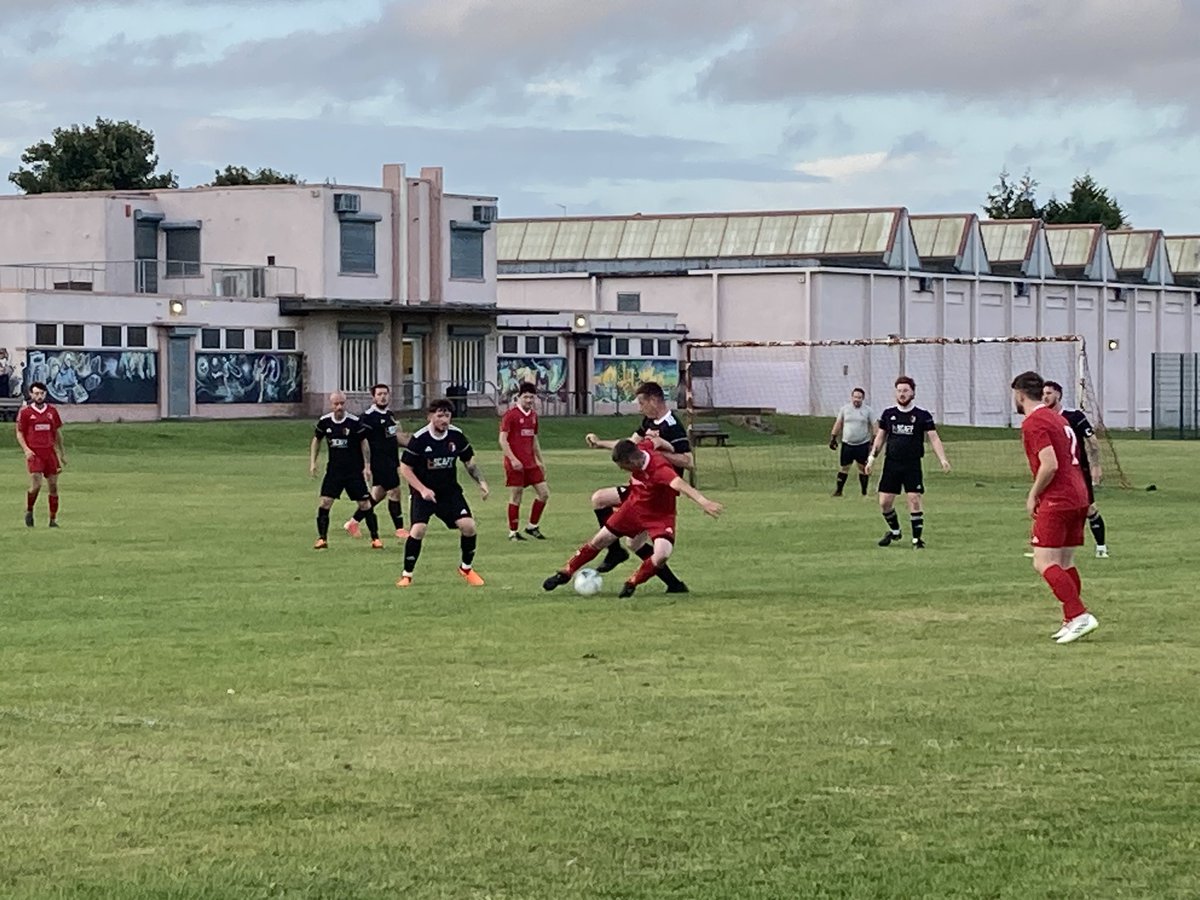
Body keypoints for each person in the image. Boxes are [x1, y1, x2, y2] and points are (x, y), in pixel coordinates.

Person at [543, 436, 722, 598]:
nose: (622, 470)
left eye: (623, 466)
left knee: (661, 555)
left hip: (660, 516)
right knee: (601, 539)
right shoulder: (641, 446)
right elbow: (655, 441)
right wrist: (599, 443)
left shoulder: (659, 468)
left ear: (632, 461)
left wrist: (704, 502)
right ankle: (565, 573)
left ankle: (632, 583)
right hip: (633, 508)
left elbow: (680, 484)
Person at [1011, 371, 1099, 644]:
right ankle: (1070, 619)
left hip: (1058, 497)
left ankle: (1079, 614)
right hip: (1079, 494)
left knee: (1043, 562)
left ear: (1020, 394)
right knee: (1065, 562)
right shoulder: (1058, 418)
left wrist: (1033, 494)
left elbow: (1049, 464)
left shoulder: (1034, 422)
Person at [583, 381, 691, 592]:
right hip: (641, 487)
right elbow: (630, 446)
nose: (639, 408)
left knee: (631, 540)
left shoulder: (672, 426)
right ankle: (672, 583)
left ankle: (671, 582)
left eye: (641, 403)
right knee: (602, 503)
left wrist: (658, 451)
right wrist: (600, 443)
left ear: (654, 400)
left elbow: (688, 460)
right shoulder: (649, 421)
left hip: (659, 492)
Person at [396, 399, 490, 587]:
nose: (444, 419)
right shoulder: (420, 438)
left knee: (469, 526)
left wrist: (481, 481)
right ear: (430, 416)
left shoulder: (456, 436)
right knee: (418, 530)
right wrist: (422, 489)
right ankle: (407, 575)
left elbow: (468, 462)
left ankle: (466, 569)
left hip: (449, 492)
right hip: (423, 493)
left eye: (447, 415)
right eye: (439, 415)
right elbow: (405, 468)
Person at [864, 376, 951, 548]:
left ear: (913, 393)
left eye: (905, 390)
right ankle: (895, 531)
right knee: (884, 502)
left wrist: (943, 459)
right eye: (899, 391)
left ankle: (917, 540)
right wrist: (871, 459)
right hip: (892, 464)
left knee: (914, 498)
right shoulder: (889, 414)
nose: (902, 394)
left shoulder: (922, 416)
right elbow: (880, 438)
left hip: (912, 464)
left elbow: (933, 438)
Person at [1043, 380, 1109, 558]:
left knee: (1089, 508)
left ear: (1058, 394)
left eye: (1049, 393)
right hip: (1057, 471)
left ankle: (1101, 548)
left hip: (1079, 470)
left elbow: (1093, 443)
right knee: (1051, 507)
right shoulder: (1043, 418)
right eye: (1043, 394)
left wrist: (1096, 467)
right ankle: (1047, 547)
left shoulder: (1075, 416)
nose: (1045, 397)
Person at [309, 391, 382, 550]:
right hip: (334, 471)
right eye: (336, 404)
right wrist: (313, 462)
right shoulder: (325, 422)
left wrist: (367, 466)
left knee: (365, 504)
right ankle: (322, 539)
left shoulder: (354, 422)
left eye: (342, 403)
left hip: (353, 472)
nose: (339, 407)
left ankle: (375, 538)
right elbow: (316, 440)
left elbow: (364, 443)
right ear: (331, 404)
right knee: (325, 503)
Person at [344, 384, 411, 542]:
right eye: (379, 394)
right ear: (373, 397)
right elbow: (361, 441)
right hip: (378, 461)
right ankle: (399, 528)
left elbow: (395, 437)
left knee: (378, 494)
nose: (383, 397)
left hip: (391, 459)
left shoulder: (390, 415)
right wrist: (365, 464)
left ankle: (352, 523)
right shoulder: (368, 417)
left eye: (385, 394)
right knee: (394, 491)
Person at [499, 382, 549, 541]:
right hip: (515, 464)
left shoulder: (533, 416)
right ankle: (513, 532)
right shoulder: (511, 415)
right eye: (525, 397)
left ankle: (532, 526)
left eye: (531, 397)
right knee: (516, 496)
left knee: (544, 494)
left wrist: (540, 461)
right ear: (518, 397)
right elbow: (502, 440)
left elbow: (534, 439)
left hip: (531, 463)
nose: (529, 400)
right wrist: (513, 459)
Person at [16, 381, 65, 527]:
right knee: (36, 485)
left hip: (50, 453)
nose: (39, 396)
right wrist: (26, 449)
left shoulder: (52, 411)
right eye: (36, 393)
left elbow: (57, 433)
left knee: (53, 486)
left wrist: (61, 453)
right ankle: (29, 510)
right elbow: (19, 432)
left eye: (42, 393)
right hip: (35, 454)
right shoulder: (25, 412)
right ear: (31, 394)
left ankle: (53, 520)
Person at [829, 387, 876, 497]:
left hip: (862, 444)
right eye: (855, 397)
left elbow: (875, 425)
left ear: (863, 398)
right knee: (844, 467)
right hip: (847, 444)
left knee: (862, 468)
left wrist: (874, 440)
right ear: (852, 397)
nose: (857, 399)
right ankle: (839, 491)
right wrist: (833, 437)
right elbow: (839, 423)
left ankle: (864, 492)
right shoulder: (845, 409)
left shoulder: (868, 411)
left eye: (859, 397)